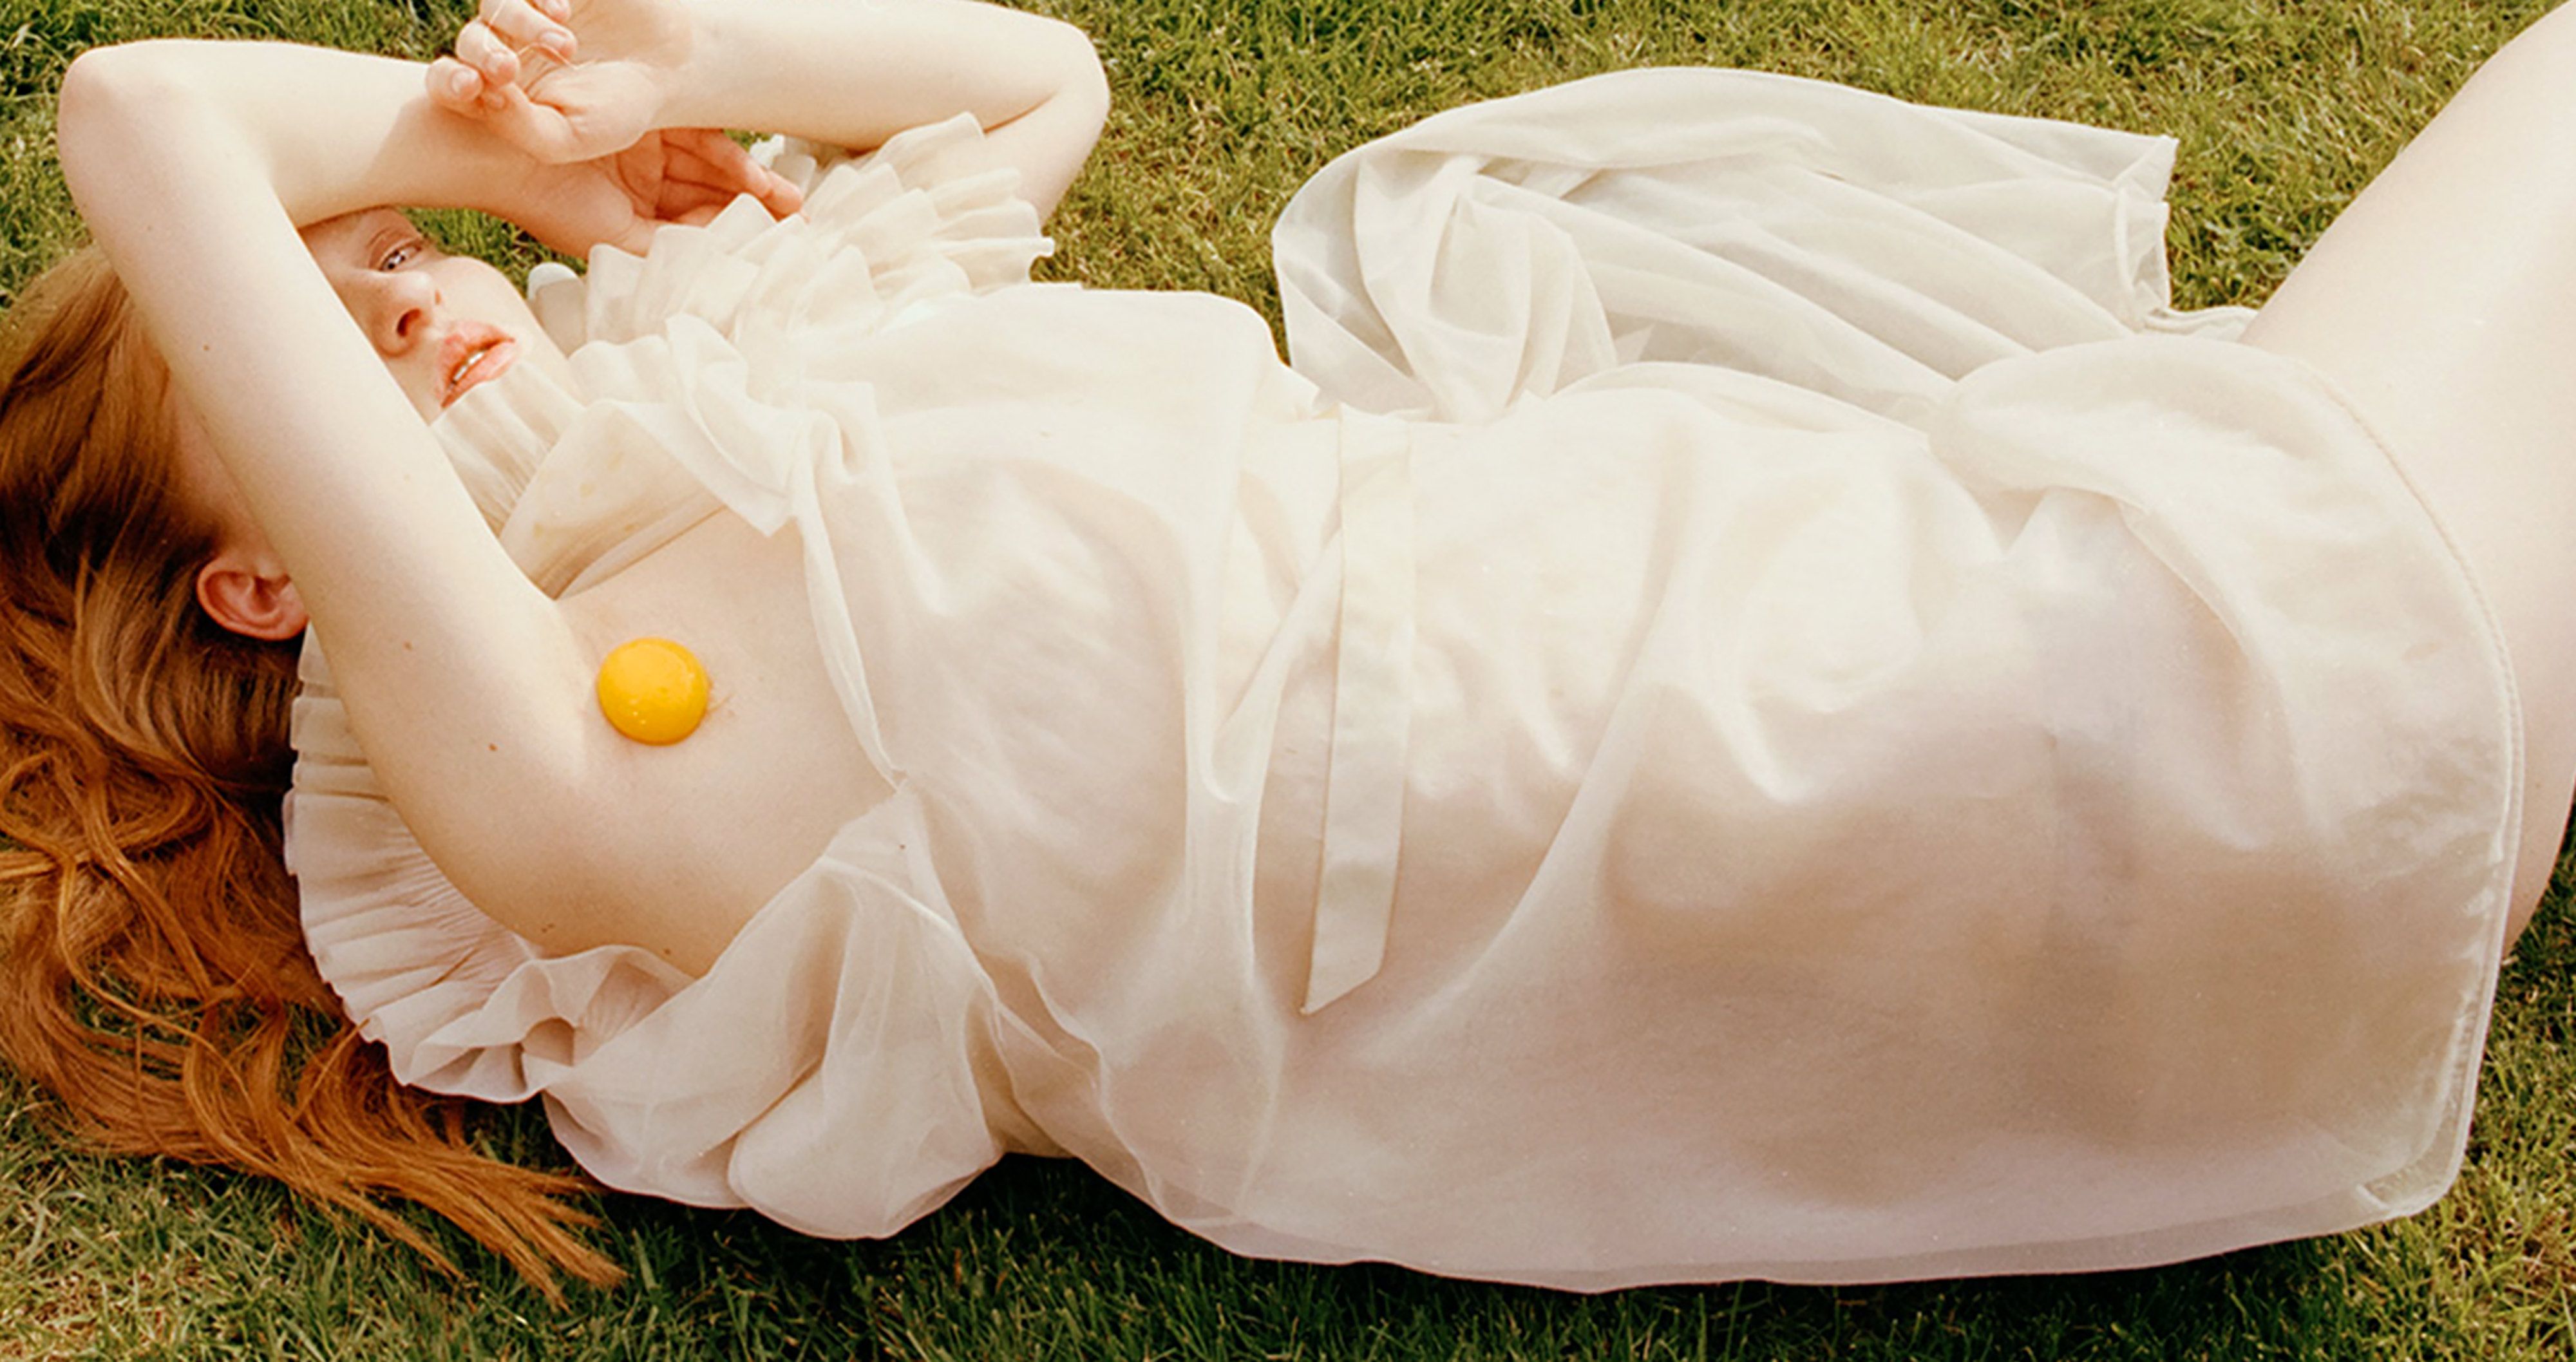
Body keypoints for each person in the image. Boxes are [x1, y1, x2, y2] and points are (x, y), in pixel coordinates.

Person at [6, 0, 2571, 1296]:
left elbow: (1028, 87)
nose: (432, 292)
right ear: (259, 577)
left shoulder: (749, 426)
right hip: (2037, 715)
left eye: (417, 259)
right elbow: (141, 112)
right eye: (326, 325)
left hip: (1894, 668)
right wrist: (452, 144)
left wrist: (669, 84)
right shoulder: (516, 784)